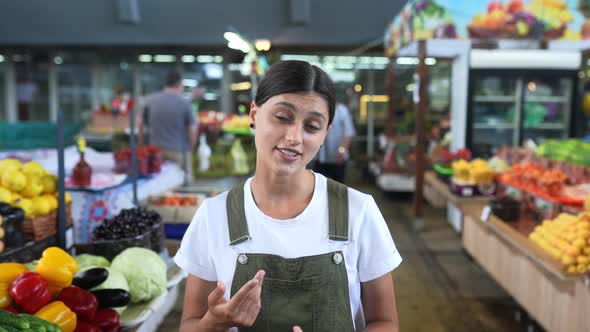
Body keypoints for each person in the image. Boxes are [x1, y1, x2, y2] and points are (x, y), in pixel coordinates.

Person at [174, 60, 401, 332]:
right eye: (282, 117)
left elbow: (384, 322)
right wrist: (215, 321)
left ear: (326, 133)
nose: (294, 137)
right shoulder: (214, 215)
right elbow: (190, 324)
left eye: (312, 126)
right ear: (254, 115)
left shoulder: (358, 211)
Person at [139, 70, 198, 183]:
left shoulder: (150, 100)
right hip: (178, 152)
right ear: (180, 84)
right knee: (182, 186)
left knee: (157, 185)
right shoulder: (185, 103)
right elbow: (193, 129)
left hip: (155, 152)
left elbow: (139, 123)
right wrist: (191, 146)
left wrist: (141, 143)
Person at [313, 100, 356, 183]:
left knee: (337, 186)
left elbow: (348, 133)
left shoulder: (342, 110)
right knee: (319, 185)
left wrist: (342, 151)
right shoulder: (318, 109)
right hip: (321, 159)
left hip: (338, 159)